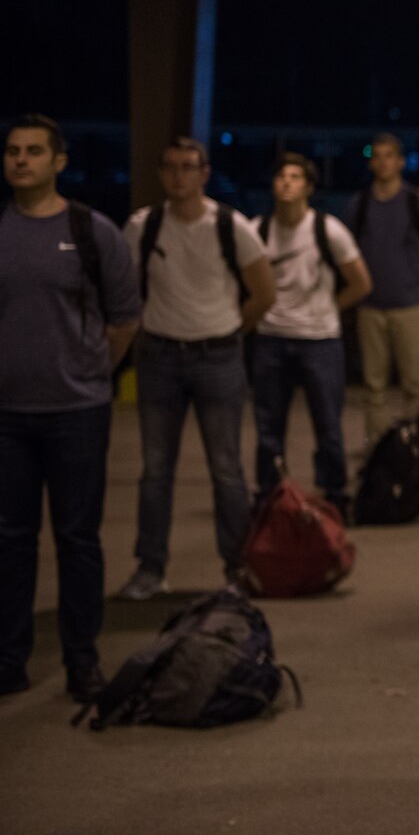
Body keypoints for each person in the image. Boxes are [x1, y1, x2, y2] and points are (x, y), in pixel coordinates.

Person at [0, 115, 141, 701]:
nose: (20, 160)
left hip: (78, 410)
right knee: (10, 540)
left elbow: (124, 317)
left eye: (34, 151)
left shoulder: (91, 230)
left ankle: (82, 659)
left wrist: (90, 375)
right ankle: (9, 659)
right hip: (8, 414)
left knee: (78, 539)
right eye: (12, 151)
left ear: (59, 161)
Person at [118, 136, 276, 599]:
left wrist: (227, 330)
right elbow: (128, 293)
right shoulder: (143, 227)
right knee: (155, 470)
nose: (179, 176)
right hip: (160, 357)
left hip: (218, 357)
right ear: (161, 174)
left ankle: (236, 568)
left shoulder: (231, 226)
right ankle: (150, 568)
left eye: (189, 167)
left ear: (204, 173)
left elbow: (263, 294)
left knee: (227, 468)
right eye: (171, 167)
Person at [251, 153, 371, 510]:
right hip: (271, 336)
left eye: (295, 176)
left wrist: (326, 309)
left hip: (319, 340)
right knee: (268, 426)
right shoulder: (257, 229)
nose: (286, 182)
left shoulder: (327, 229)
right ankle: (270, 497)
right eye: (281, 176)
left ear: (308, 186)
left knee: (328, 425)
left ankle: (334, 495)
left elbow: (361, 283)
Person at [345, 134, 419, 442]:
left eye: (389, 155)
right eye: (377, 156)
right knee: (374, 386)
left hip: (409, 305)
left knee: (414, 384)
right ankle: (378, 449)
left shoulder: (415, 202)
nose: (382, 162)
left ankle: (413, 446)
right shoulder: (360, 204)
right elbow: (346, 252)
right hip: (371, 306)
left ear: (400, 162)